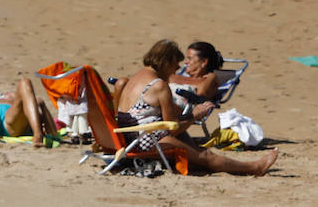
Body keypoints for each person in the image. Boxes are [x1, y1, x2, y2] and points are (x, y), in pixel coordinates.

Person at [113, 40, 278, 175]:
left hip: (126, 139)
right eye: (175, 64)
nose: (177, 69)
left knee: (192, 147)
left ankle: (199, 157)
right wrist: (195, 115)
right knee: (206, 156)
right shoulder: (159, 85)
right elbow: (172, 129)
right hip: (146, 141)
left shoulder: (136, 78)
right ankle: (255, 168)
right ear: (166, 62)